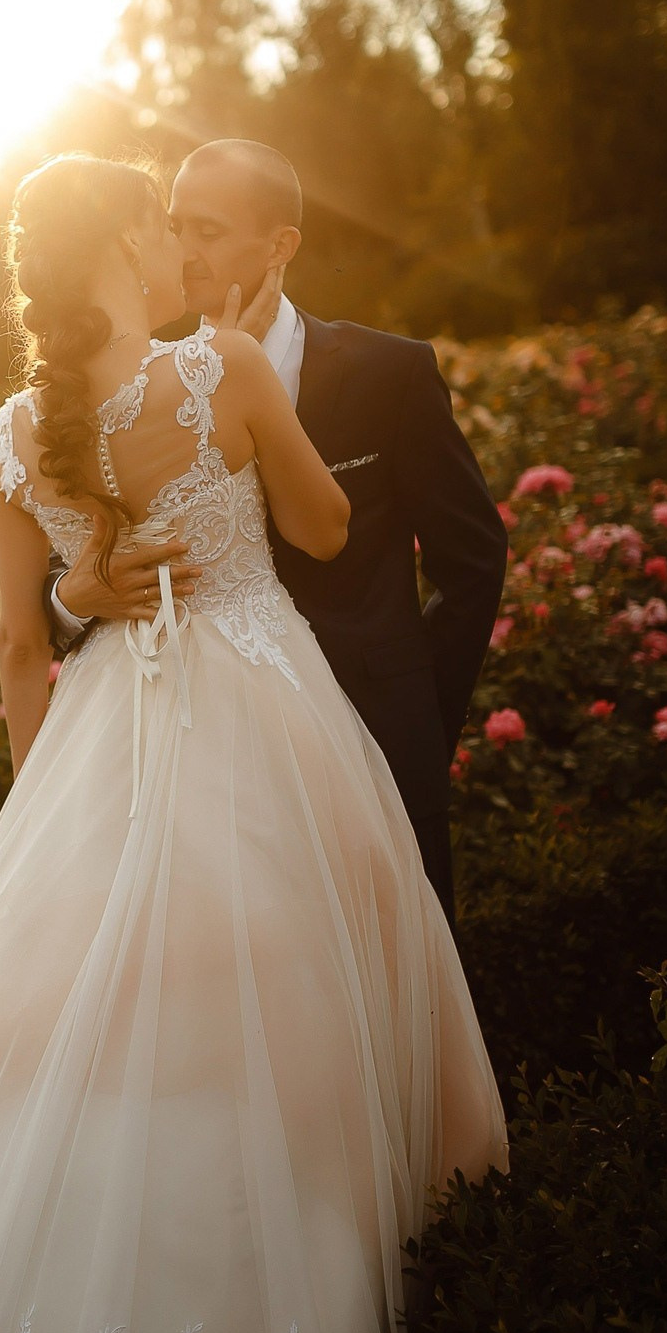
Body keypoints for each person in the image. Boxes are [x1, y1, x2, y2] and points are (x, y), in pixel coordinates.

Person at [0, 155, 506, 1333]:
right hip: (261, 707)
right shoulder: (219, 369)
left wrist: (44, 821)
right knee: (301, 976)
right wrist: (244, 395)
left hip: (102, 737)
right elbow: (324, 531)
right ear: (129, 237)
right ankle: (333, 1249)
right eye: (159, 223)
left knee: (122, 1014)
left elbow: (24, 647)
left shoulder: (13, 432)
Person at [48, 140, 507, 923]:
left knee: (409, 992)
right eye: (174, 226)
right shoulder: (124, 389)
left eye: (210, 229)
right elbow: (60, 557)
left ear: (281, 244)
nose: (185, 252)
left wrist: (424, 713)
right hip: (208, 768)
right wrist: (70, 597)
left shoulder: (387, 373)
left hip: (381, 738)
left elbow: (474, 559)